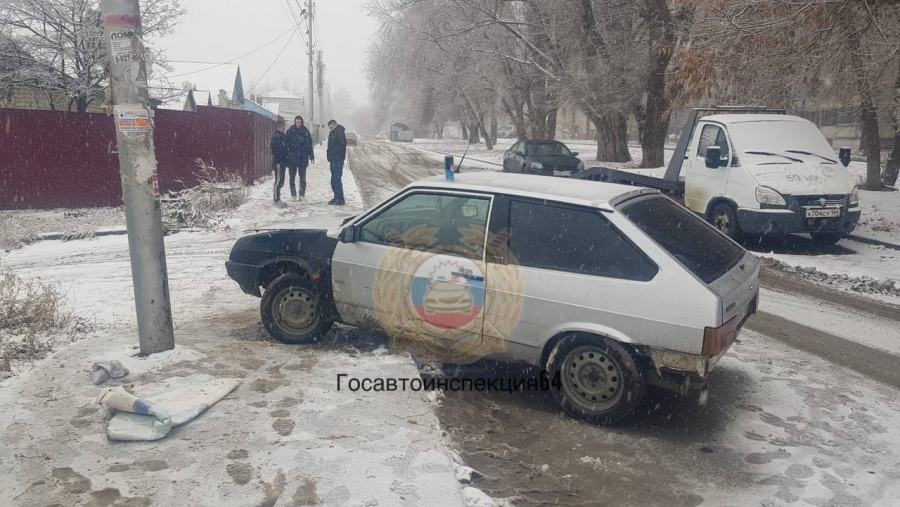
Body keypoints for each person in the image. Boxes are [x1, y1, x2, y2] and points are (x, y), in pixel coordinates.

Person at [284, 116, 315, 200]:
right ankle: (293, 195)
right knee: (292, 177)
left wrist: (312, 156)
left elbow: (309, 145)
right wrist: (291, 148)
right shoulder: (290, 131)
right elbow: (285, 143)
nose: (298, 124)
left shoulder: (305, 132)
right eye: (297, 122)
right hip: (292, 158)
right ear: (295, 122)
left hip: (303, 157)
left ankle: (302, 195)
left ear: (302, 123)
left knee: (303, 178)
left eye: (300, 122)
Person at [326, 119, 347, 206]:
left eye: (331, 127)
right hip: (333, 159)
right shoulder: (332, 133)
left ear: (334, 125)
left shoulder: (339, 132)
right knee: (333, 180)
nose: (330, 128)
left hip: (338, 159)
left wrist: (336, 155)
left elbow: (342, 145)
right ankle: (336, 197)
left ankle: (340, 199)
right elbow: (330, 145)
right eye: (329, 127)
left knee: (337, 179)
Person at [270, 117, 290, 206]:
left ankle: (278, 198)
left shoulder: (282, 136)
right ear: (281, 126)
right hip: (278, 163)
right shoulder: (276, 137)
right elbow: (277, 151)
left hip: (282, 163)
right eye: (284, 126)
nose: (285, 127)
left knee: (281, 181)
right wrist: (281, 160)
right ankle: (276, 199)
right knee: (278, 181)